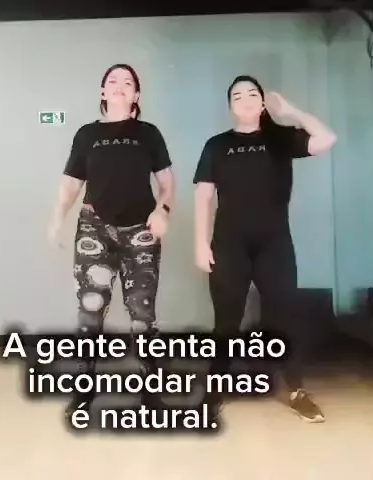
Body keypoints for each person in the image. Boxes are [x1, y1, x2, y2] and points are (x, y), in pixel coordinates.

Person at [193, 75, 337, 423]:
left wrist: (290, 110)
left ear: (262, 102)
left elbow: (327, 139)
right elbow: (203, 195)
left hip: (274, 242)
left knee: (285, 317)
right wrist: (200, 242)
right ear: (230, 106)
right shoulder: (217, 145)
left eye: (252, 93)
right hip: (229, 243)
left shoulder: (280, 139)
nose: (245, 99)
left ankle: (297, 390)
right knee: (226, 321)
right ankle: (215, 390)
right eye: (237, 95)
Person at [48, 63, 174, 416]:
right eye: (113, 81)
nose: (120, 85)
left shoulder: (148, 134)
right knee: (90, 309)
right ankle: (84, 387)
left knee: (142, 312)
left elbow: (166, 182)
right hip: (95, 228)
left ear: (136, 95)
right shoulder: (87, 134)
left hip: (141, 230)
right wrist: (56, 218)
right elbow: (71, 183)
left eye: (128, 82)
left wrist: (163, 210)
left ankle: (151, 389)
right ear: (102, 92)